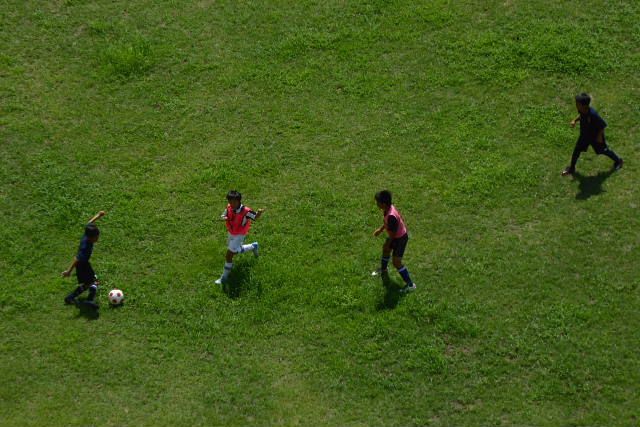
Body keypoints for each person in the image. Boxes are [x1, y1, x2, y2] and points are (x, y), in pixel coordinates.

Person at [562, 93, 623, 176]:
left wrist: (599, 137)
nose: (576, 105)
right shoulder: (582, 110)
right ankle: (572, 169)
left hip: (595, 137)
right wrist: (575, 120)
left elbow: (603, 126)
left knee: (602, 150)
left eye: (577, 104)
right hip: (584, 136)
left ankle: (619, 161)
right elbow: (581, 116)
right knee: (577, 150)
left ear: (584, 106)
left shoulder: (593, 115)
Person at [215, 191, 264, 285]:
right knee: (234, 251)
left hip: (239, 234)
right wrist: (224, 217)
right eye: (230, 202)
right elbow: (224, 214)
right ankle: (253, 246)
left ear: (239, 201)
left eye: (234, 202)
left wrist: (258, 214)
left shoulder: (246, 211)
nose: (232, 204)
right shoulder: (229, 207)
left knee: (229, 255)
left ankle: (224, 278)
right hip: (231, 232)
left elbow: (255, 217)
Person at [371, 190, 416, 292]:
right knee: (385, 250)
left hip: (399, 239)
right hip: (395, 237)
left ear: (383, 203)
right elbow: (389, 225)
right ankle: (384, 269)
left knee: (396, 262)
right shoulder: (388, 208)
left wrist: (389, 243)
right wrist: (380, 230)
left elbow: (394, 233)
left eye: (378, 202)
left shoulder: (391, 216)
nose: (377, 204)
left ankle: (411, 285)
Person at [62, 211, 106, 308]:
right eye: (96, 237)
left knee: (91, 282)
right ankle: (88, 300)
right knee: (93, 282)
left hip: (85, 264)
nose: (97, 239)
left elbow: (89, 223)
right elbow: (77, 259)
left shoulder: (87, 233)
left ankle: (71, 298)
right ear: (90, 238)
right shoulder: (85, 247)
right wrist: (69, 271)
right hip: (82, 265)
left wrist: (98, 215)